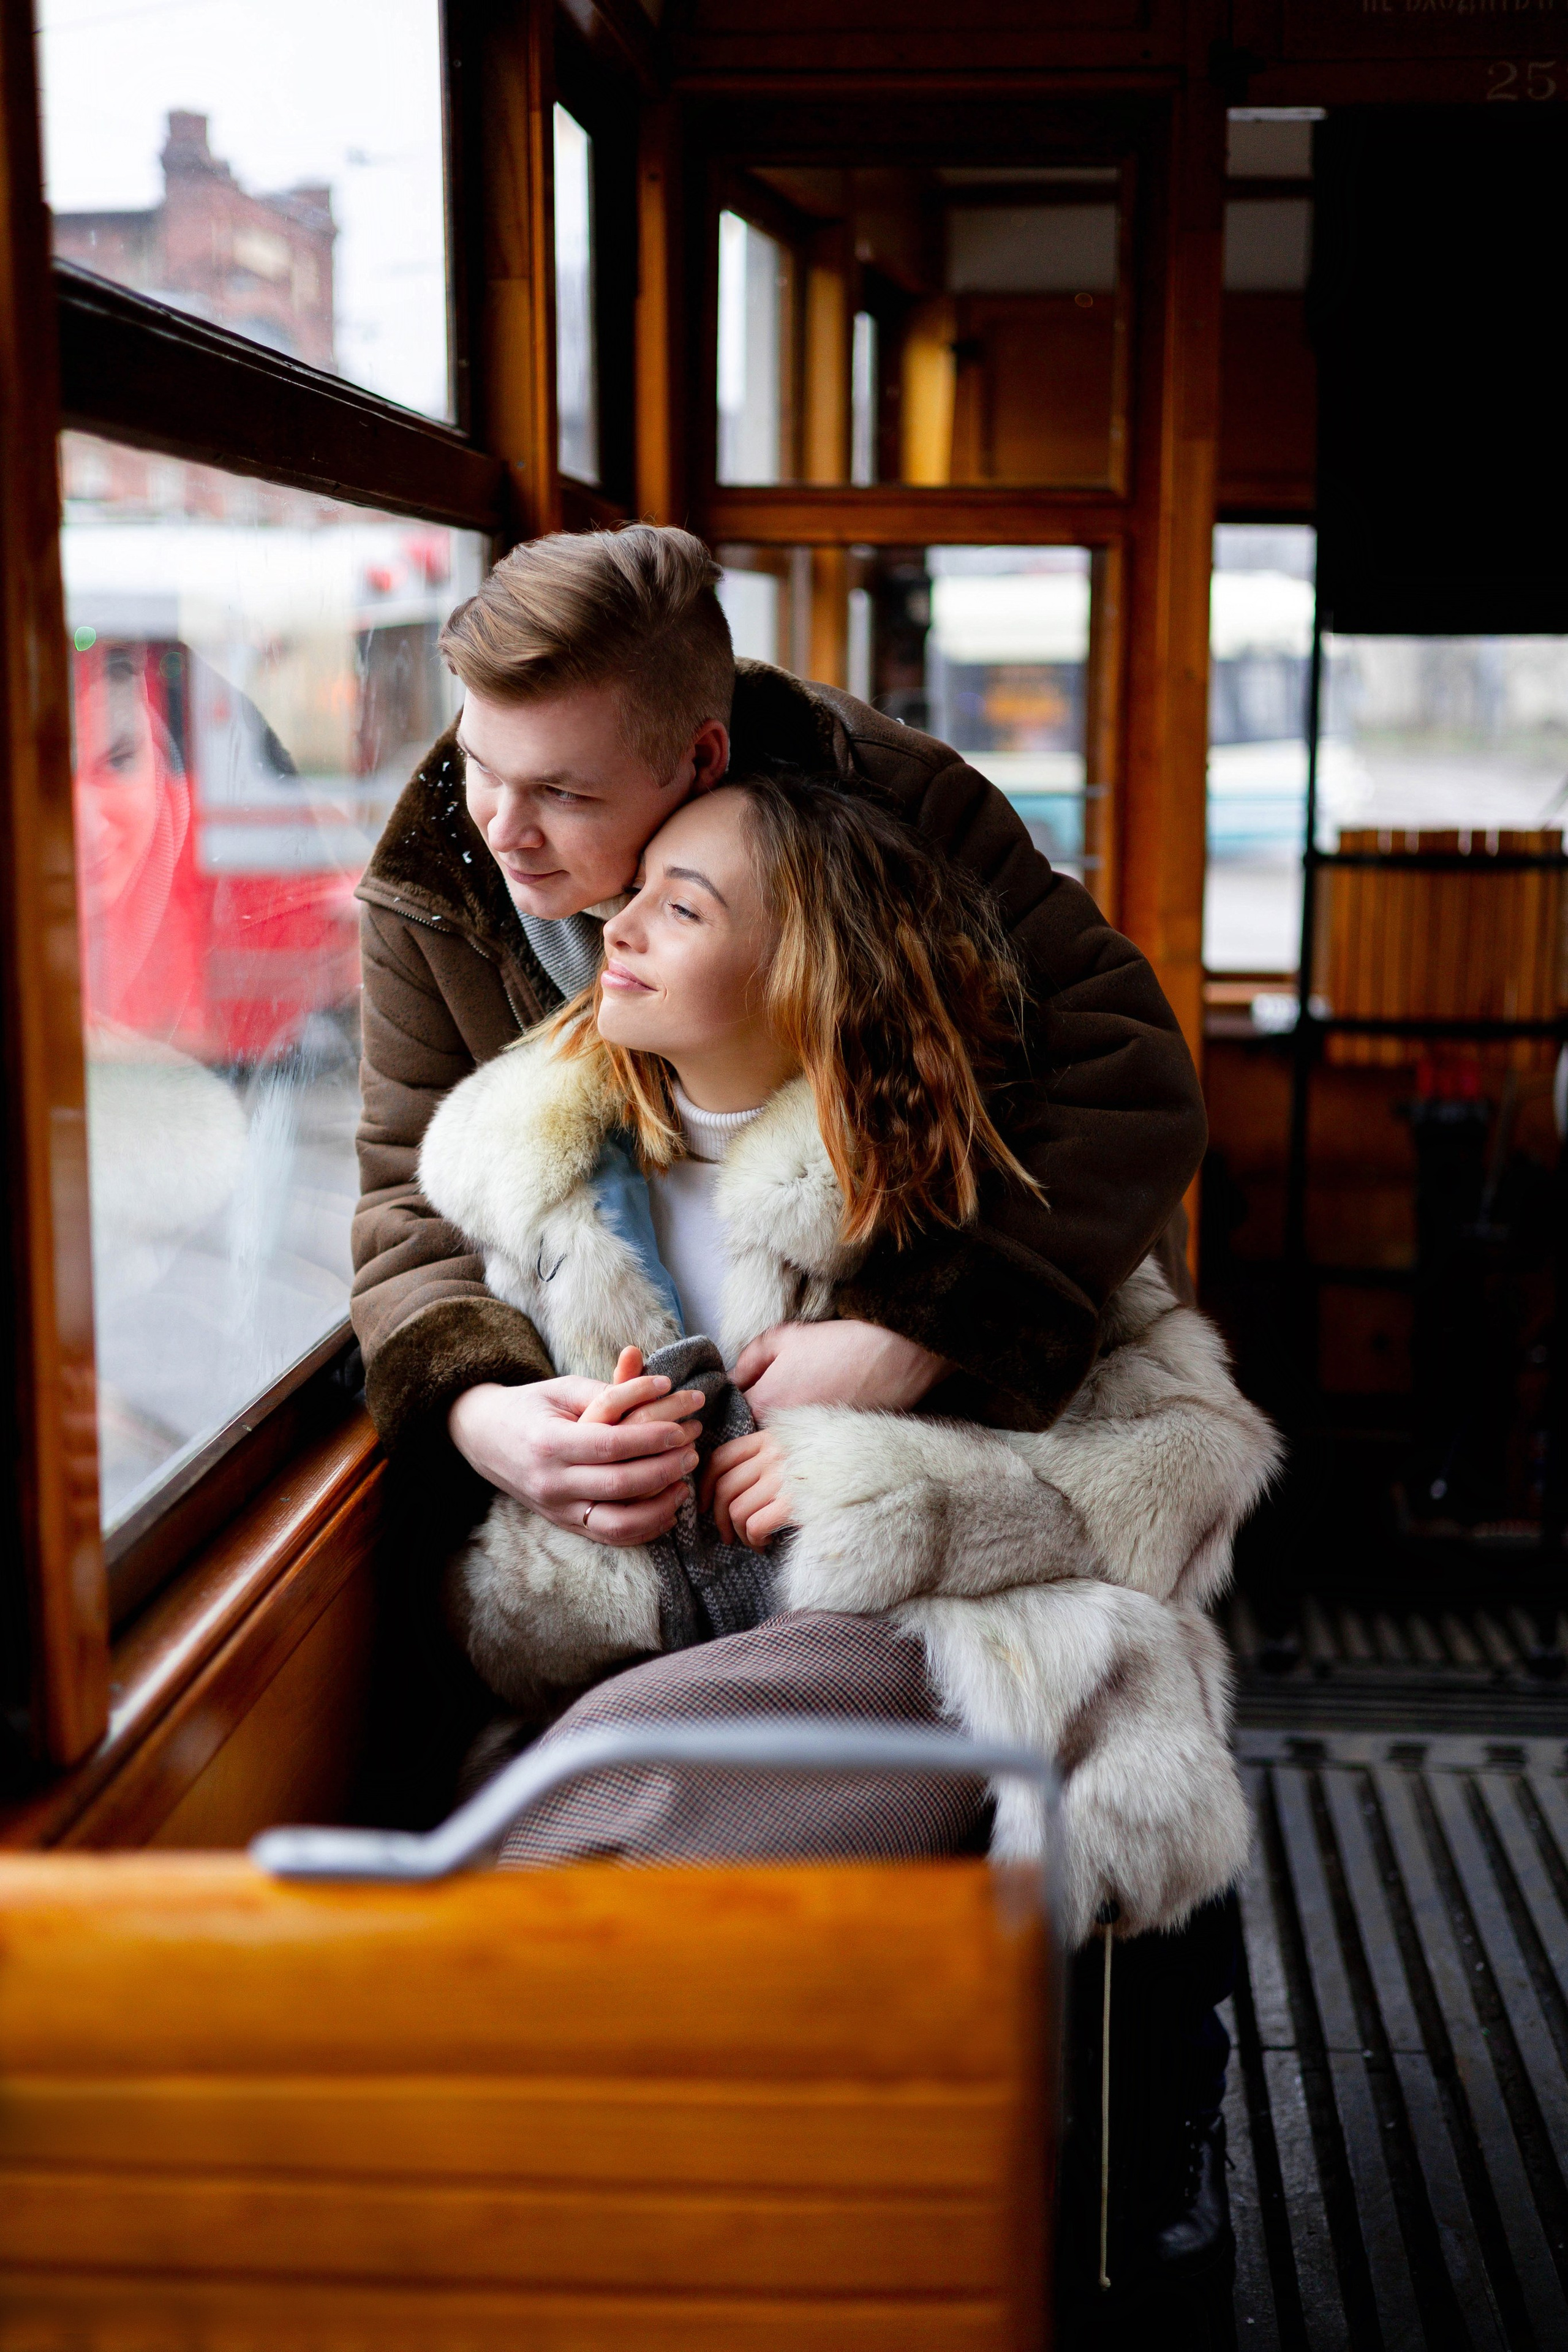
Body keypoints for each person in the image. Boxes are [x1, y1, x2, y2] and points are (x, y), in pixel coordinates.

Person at [418, 771, 1278, 2313]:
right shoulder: (537, 1186)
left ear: (802, 968)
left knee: (793, 1694)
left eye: (681, 906)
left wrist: (887, 1486)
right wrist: (552, 1472)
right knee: (613, 1760)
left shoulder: (966, 1192)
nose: (617, 925)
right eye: (633, 893)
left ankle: (400, 1999)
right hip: (674, 1677)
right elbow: (443, 1398)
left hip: (956, 1675)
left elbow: (1189, 1465)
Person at [350, 524, 1208, 1536]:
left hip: (978, 1455)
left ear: (701, 757)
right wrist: (479, 1411)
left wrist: (915, 1338)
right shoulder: (429, 886)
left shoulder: (893, 802)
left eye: (563, 793)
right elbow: (405, 1195)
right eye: (479, 762)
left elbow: (1129, 1072)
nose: (498, 828)